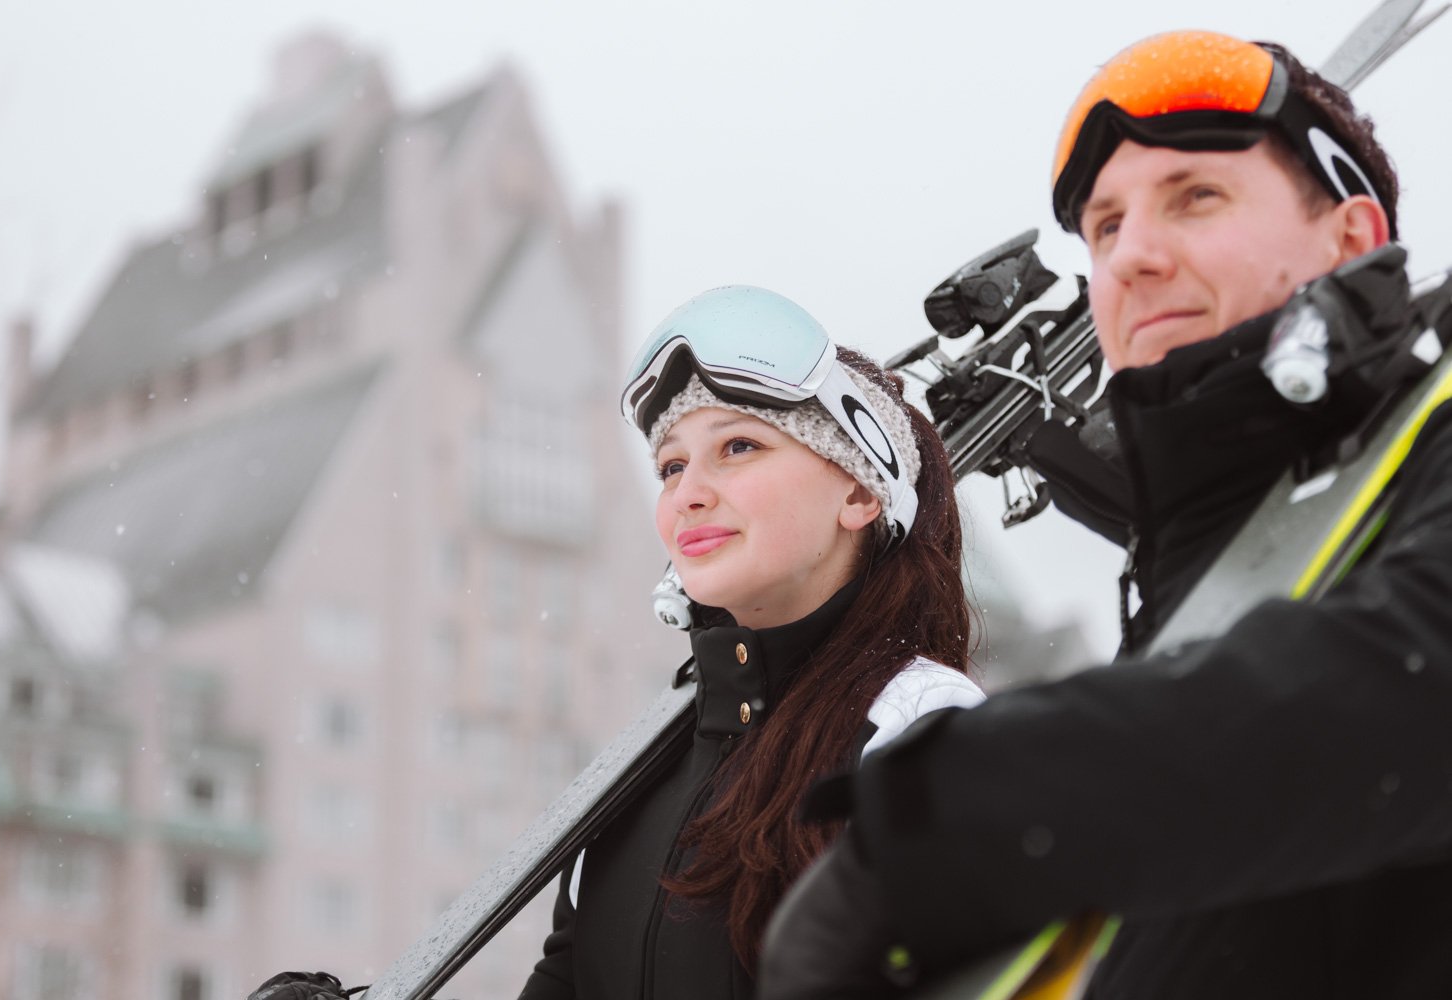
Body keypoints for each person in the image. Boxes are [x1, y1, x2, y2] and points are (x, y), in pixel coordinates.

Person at [758, 29, 1452, 1000]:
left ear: (1353, 237)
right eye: (1107, 227)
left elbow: (1411, 690)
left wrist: (951, 822)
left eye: (1195, 198)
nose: (1133, 257)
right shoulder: (1187, 594)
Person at [509, 285, 985, 999]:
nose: (688, 493)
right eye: (672, 466)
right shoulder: (641, 764)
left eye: (738, 446)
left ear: (859, 493)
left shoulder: (922, 733)